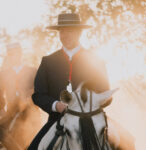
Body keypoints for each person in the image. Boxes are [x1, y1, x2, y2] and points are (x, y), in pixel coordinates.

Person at [27, 13, 110, 150]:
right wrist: (56, 105)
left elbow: (106, 93)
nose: (65, 35)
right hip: (57, 119)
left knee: (126, 142)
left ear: (79, 33)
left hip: (92, 120)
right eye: (62, 31)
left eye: (70, 31)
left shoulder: (95, 60)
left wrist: (90, 105)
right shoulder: (47, 61)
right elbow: (38, 95)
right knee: (33, 147)